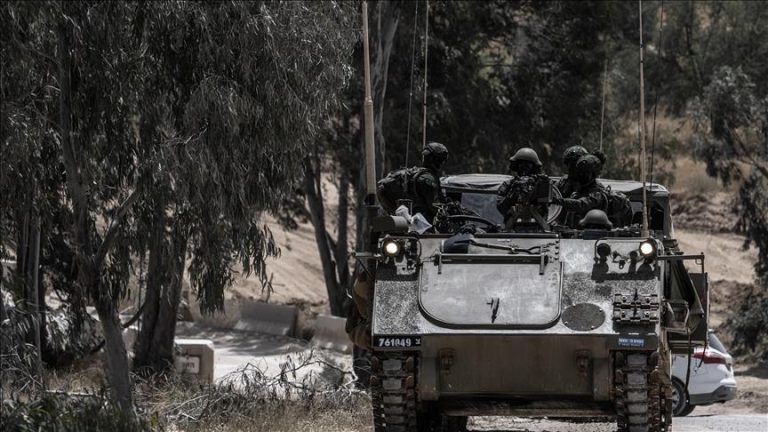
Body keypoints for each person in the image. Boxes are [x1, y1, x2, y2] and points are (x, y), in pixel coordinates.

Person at [376, 142, 448, 222]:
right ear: (435, 160)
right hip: (413, 217)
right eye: (441, 160)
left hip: (396, 206)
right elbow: (434, 207)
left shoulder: (414, 172)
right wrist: (446, 213)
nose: (442, 163)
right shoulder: (428, 179)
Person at [497, 147, 551, 230]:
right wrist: (513, 191)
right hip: (511, 229)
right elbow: (501, 207)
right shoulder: (509, 185)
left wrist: (540, 186)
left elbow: (547, 208)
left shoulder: (539, 184)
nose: (524, 167)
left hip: (537, 229)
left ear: (533, 167)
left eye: (528, 165)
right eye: (521, 164)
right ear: (516, 165)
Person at [554, 154, 608, 227]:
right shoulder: (579, 190)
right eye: (579, 172)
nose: (581, 175)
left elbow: (581, 205)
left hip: (591, 231)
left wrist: (557, 201)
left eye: (585, 173)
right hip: (574, 231)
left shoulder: (597, 193)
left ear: (593, 174)